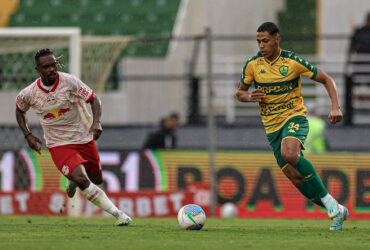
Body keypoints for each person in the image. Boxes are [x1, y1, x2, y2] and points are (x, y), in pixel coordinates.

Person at [236, 22, 348, 230]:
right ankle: (336, 209)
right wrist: (250, 96)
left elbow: (326, 79)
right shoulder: (252, 65)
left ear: (277, 39)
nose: (261, 45)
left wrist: (335, 107)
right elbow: (240, 92)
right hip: (272, 128)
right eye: (258, 41)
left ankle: (331, 205)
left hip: (294, 117)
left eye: (265, 41)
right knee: (296, 178)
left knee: (289, 153)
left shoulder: (292, 61)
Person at [15, 48, 131, 226]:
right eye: (46, 67)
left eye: (54, 65)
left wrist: (96, 122)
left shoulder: (70, 82)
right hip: (59, 144)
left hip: (84, 138)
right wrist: (28, 135)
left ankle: (73, 181)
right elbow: (19, 110)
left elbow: (93, 99)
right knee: (83, 179)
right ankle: (119, 215)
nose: (52, 69)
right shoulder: (29, 93)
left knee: (96, 179)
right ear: (38, 69)